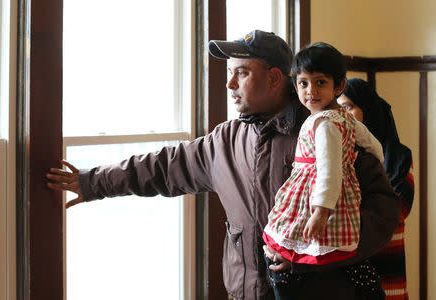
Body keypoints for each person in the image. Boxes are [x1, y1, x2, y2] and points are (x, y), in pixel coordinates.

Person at [47, 30, 400, 300]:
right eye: (230, 73)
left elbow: (384, 213)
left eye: (241, 73)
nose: (229, 84)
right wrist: (90, 182)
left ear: (276, 79)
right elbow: (159, 167)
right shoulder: (224, 141)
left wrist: (312, 254)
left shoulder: (329, 131)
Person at [262, 42, 385, 299]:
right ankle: (366, 282)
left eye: (320, 82)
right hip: (330, 195)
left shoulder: (325, 123)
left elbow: (329, 168)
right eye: (303, 83)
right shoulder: (345, 118)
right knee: (326, 249)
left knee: (285, 244)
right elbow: (373, 146)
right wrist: (376, 161)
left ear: (338, 86)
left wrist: (320, 211)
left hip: (318, 197)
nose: (311, 91)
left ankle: (285, 286)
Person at [338, 78, 414, 300]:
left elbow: (396, 212)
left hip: (386, 270)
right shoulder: (338, 154)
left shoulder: (398, 157)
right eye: (338, 109)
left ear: (368, 109)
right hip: (345, 272)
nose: (342, 116)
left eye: (348, 107)